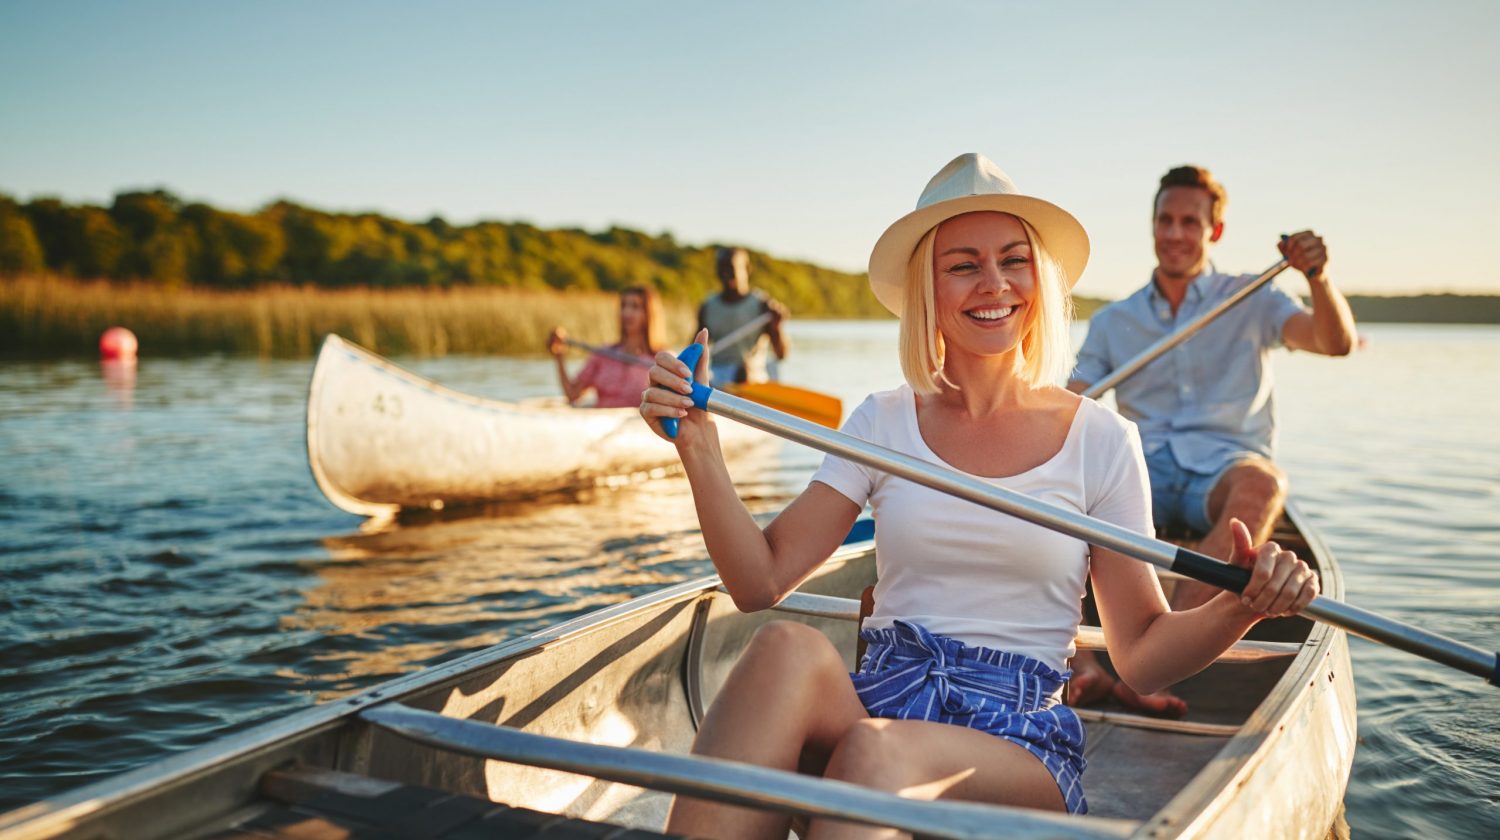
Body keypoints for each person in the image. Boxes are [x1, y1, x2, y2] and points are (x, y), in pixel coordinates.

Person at [640, 153, 1317, 835]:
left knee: (877, 752)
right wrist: (698, 445)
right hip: (885, 697)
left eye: (1013, 260)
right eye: (963, 264)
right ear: (927, 289)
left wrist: (1239, 609)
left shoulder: (1102, 438)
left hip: (1015, 740)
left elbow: (1139, 652)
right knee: (783, 648)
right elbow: (759, 582)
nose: (993, 283)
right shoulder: (882, 421)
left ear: (1039, 279)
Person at [1065, 165, 1356, 714]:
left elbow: (1333, 342)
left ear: (1213, 231)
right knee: (1064, 478)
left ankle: (1157, 651)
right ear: (1153, 225)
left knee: (1264, 484)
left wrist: (1317, 277)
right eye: (1165, 220)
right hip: (1142, 468)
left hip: (1222, 470)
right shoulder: (1115, 321)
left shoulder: (1253, 298)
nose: (1175, 233)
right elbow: (1070, 405)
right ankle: (1081, 664)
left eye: (1190, 222)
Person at [547, 285, 665, 408]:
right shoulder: (603, 354)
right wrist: (558, 355)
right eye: (623, 306)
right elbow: (572, 394)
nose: (626, 312)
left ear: (649, 313)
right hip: (600, 423)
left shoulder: (662, 359)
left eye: (635, 306)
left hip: (638, 424)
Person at [698, 246, 790, 384]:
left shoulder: (762, 304)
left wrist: (777, 328)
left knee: (744, 371)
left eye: (731, 268)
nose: (726, 273)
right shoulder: (708, 306)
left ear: (746, 269)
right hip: (717, 375)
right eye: (721, 268)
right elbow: (696, 349)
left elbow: (781, 354)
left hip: (753, 376)